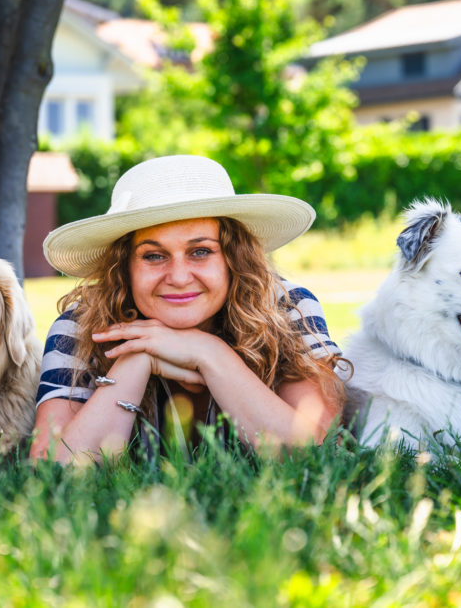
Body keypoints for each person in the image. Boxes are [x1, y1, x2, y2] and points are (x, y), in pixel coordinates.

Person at [30, 155, 347, 464]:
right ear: (124, 266)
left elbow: (315, 450)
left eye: (200, 251)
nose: (179, 278)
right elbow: (54, 467)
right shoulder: (82, 324)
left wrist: (208, 352)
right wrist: (136, 358)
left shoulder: (286, 306)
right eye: (153, 256)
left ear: (233, 258)